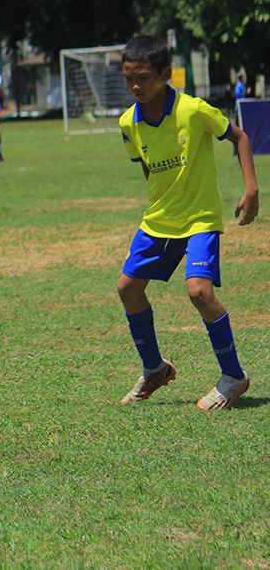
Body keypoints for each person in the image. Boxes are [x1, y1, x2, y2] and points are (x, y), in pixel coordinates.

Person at [116, 35, 259, 410]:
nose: (136, 86)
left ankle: (234, 376)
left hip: (200, 218)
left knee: (199, 292)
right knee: (128, 288)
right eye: (129, 78)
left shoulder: (193, 110)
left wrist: (251, 189)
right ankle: (155, 369)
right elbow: (149, 169)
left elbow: (240, 137)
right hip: (160, 220)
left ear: (165, 75)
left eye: (144, 78)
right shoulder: (128, 122)